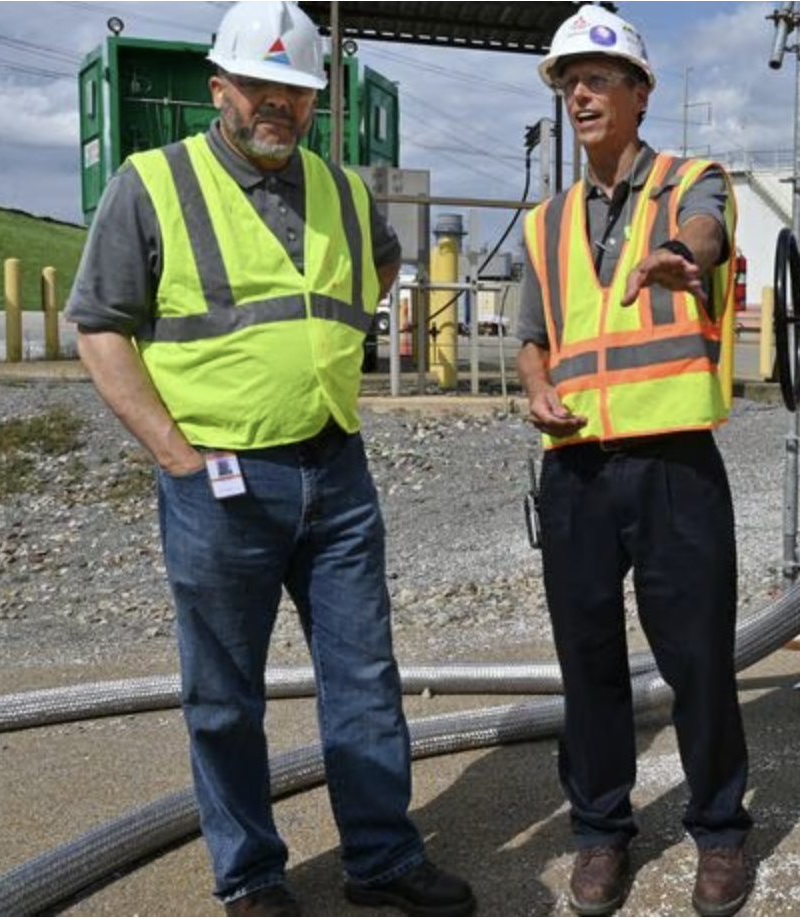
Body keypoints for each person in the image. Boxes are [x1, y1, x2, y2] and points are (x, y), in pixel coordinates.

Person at [65, 3, 474, 916]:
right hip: (218, 480)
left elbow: (380, 268)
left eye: (294, 92)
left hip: (335, 467)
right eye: (258, 87)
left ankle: (380, 858)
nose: (275, 107)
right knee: (224, 695)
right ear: (220, 89)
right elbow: (99, 327)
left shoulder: (341, 189)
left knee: (364, 677)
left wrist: (321, 357)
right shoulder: (152, 183)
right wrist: (172, 451)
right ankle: (250, 876)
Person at [515, 6, 753, 917]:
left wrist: (682, 258)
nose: (579, 92)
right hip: (573, 466)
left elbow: (707, 231)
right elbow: (532, 338)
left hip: (672, 465)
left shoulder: (693, 183)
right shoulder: (545, 225)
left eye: (598, 78)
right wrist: (534, 386)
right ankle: (601, 833)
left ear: (640, 95)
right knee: (588, 664)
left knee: (696, 658)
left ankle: (721, 832)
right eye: (568, 80)